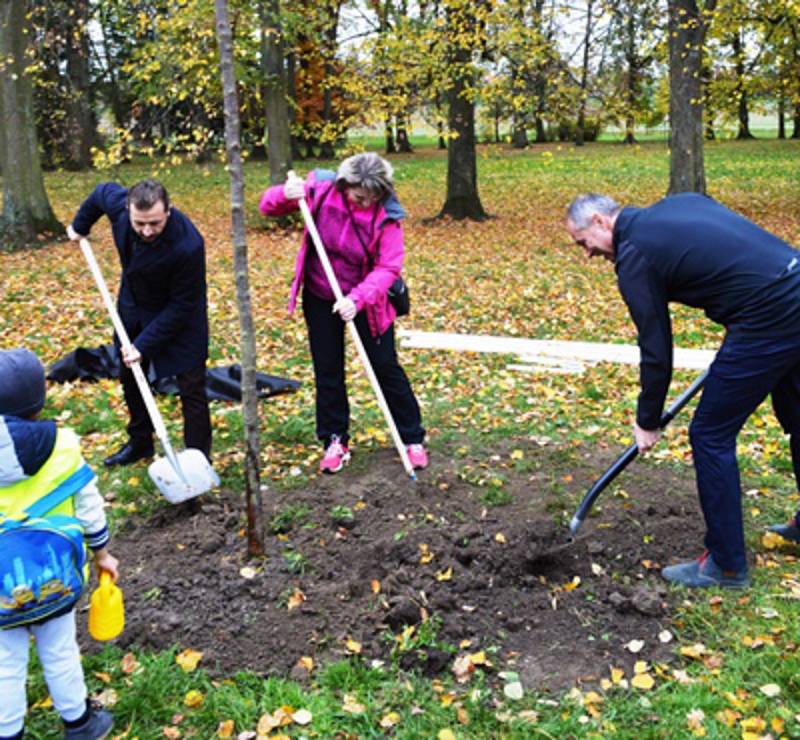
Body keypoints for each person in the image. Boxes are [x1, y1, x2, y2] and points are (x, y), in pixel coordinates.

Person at [565, 192, 800, 589]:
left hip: (769, 314)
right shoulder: (678, 204)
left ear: (602, 222)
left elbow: (656, 348)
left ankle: (725, 565)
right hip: (793, 283)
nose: (586, 254)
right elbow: (729, 251)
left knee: (710, 434)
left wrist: (647, 419)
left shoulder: (634, 257)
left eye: (583, 242)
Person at [259, 153, 428, 473]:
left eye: (373, 197)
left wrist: (357, 298)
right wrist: (285, 193)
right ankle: (334, 439)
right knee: (328, 369)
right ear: (344, 184)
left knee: (384, 366)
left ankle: (411, 437)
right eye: (359, 196)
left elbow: (389, 266)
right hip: (321, 294)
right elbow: (267, 207)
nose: (365, 202)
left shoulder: (387, 216)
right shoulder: (320, 188)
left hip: (368, 299)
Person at [0, 348, 120, 739]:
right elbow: (89, 507)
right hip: (56, 579)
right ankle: (80, 724)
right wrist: (102, 553)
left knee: (5, 664)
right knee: (61, 653)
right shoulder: (64, 446)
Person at [67, 180, 212, 466]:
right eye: (140, 223)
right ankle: (140, 442)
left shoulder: (188, 245)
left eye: (155, 224)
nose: (147, 231)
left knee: (192, 388)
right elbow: (99, 192)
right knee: (131, 377)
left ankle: (198, 458)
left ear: (168, 212)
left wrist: (143, 344)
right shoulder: (119, 207)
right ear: (128, 210)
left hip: (181, 318)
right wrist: (80, 225)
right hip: (134, 305)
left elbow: (182, 305)